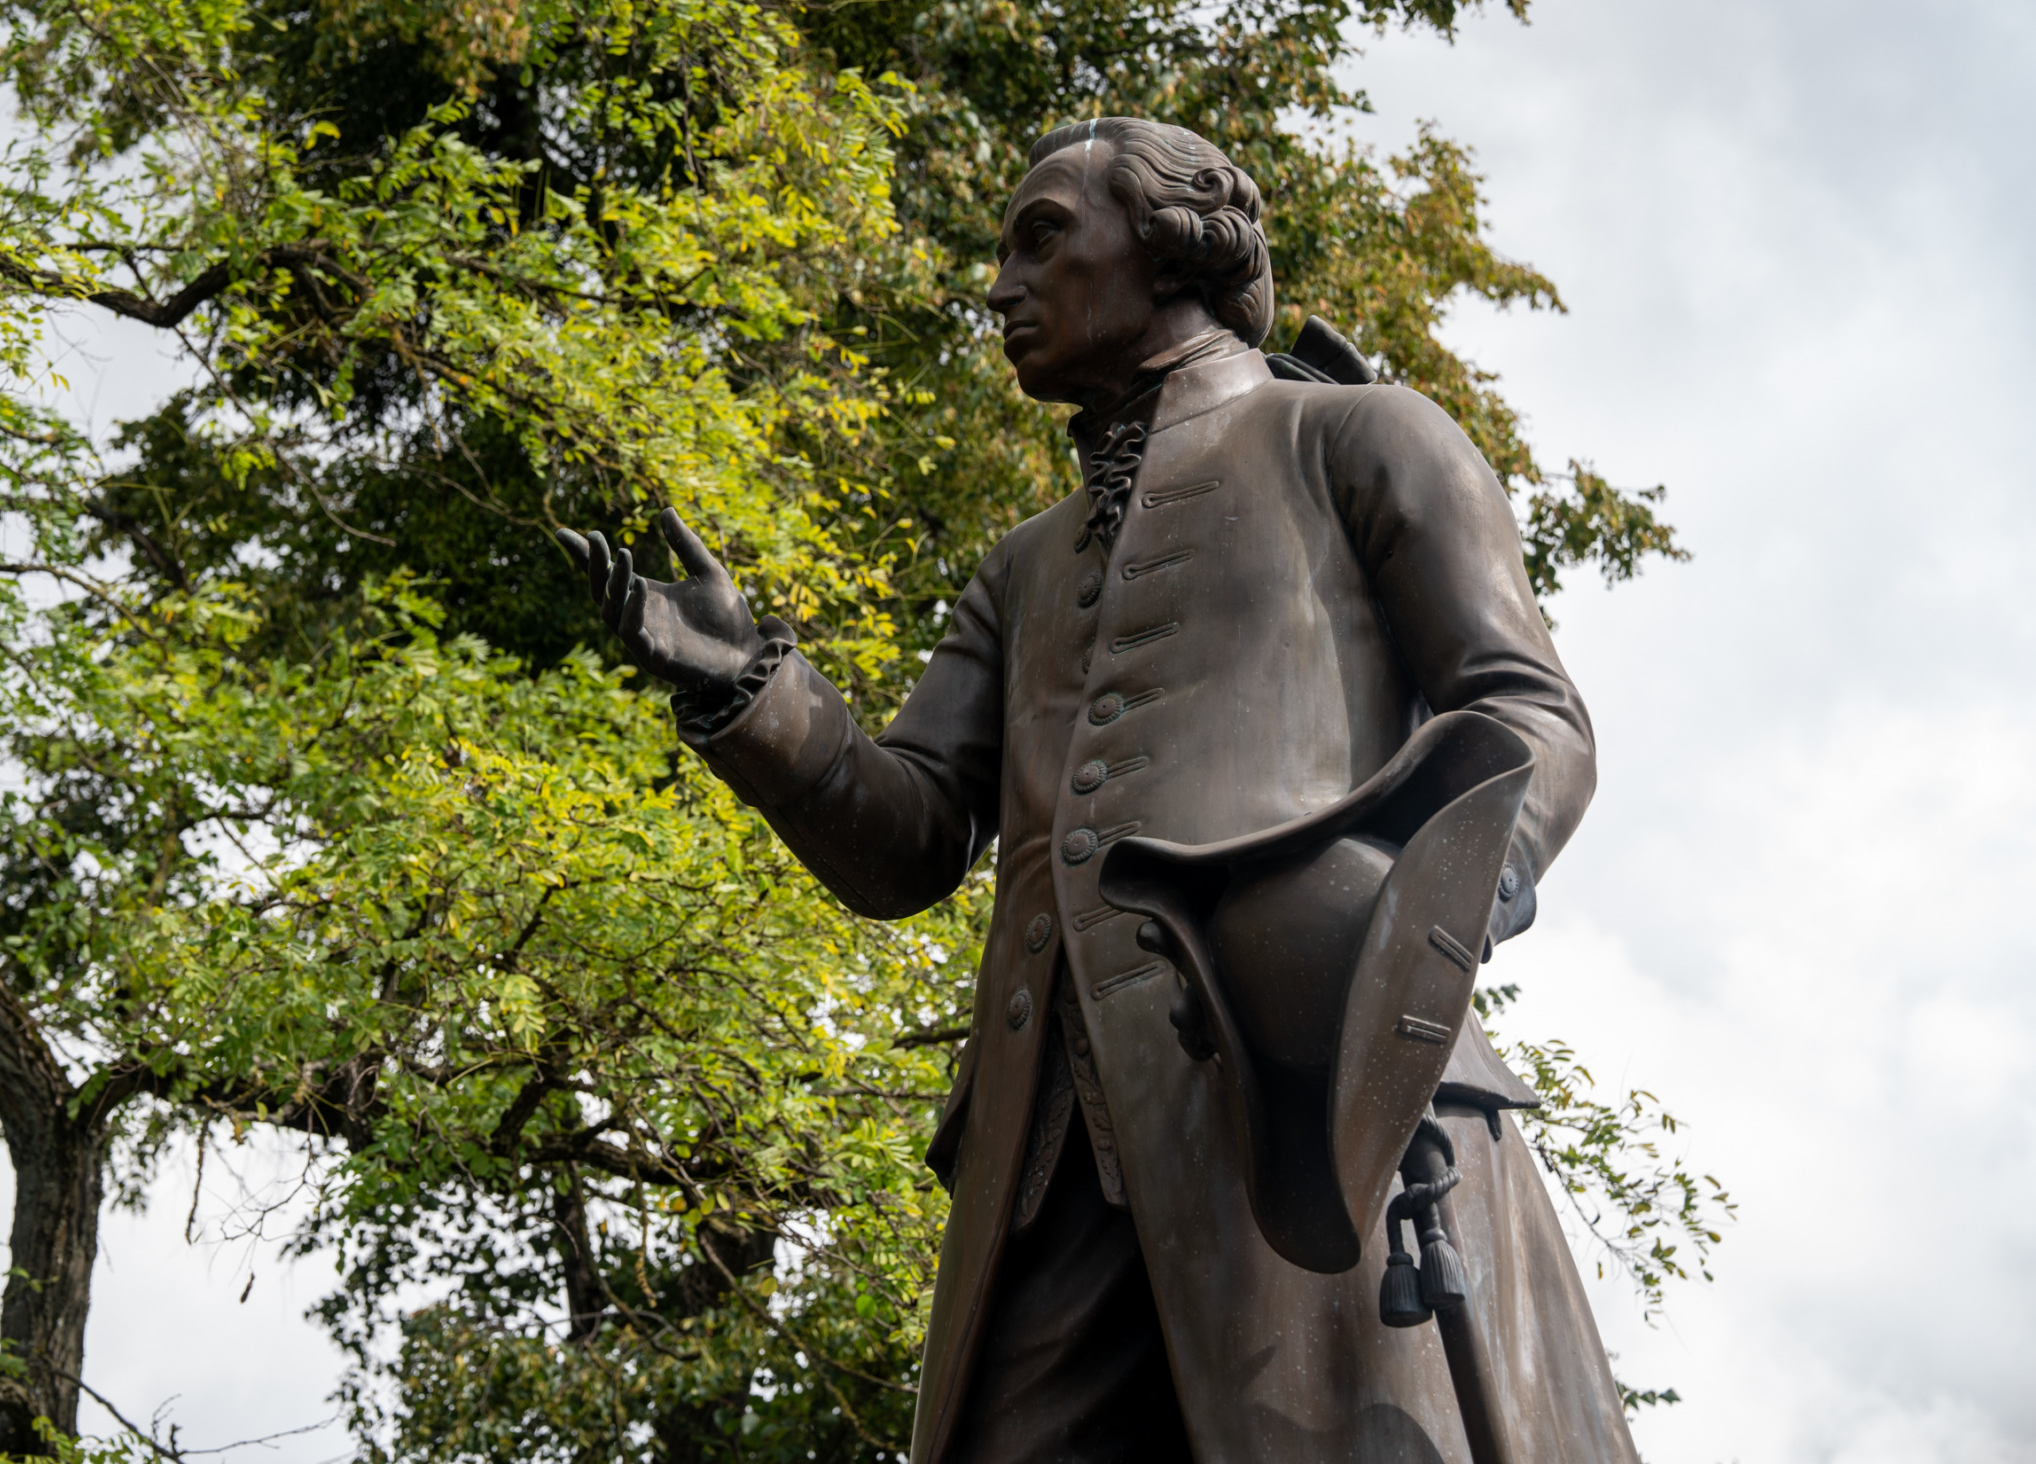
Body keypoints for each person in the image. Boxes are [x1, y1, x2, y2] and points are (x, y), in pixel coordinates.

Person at [559, 117, 1637, 1464]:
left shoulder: (1359, 438)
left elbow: (1527, 714)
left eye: (1042, 238)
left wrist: (1411, 923)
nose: (1002, 285)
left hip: (1312, 1096)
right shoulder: (1022, 568)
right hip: (1049, 1166)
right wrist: (750, 696)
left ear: (1175, 240)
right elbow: (907, 843)